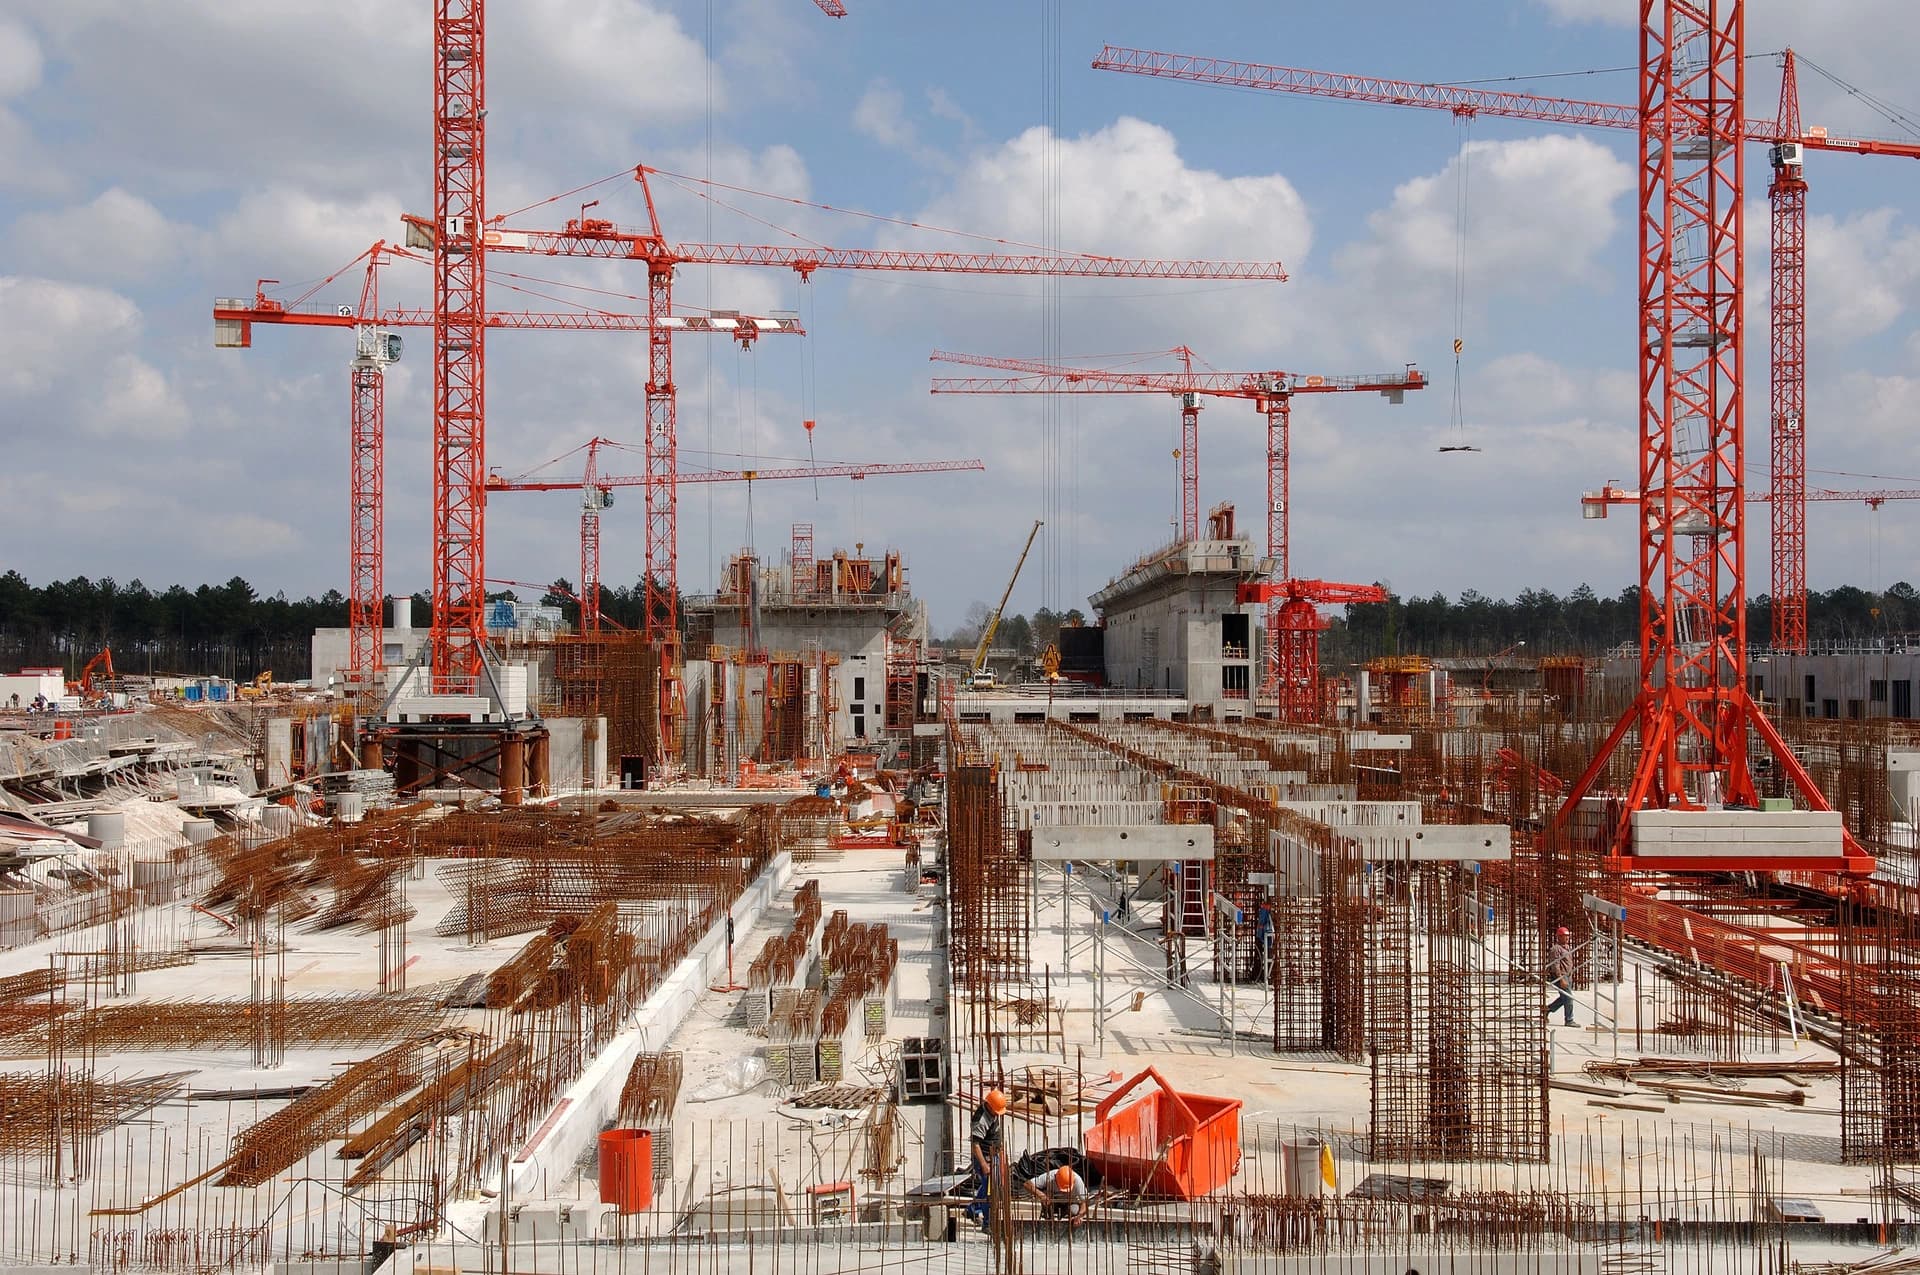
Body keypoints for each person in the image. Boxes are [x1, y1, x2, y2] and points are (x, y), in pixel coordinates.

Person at [963, 1088, 1008, 1228]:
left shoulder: (992, 1111)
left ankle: (972, 1209)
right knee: (990, 1191)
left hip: (994, 1155)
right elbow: (975, 1145)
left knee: (993, 1186)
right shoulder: (981, 1120)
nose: (997, 1114)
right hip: (985, 1158)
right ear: (990, 1106)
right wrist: (984, 1165)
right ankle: (988, 1223)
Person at [1023, 1163, 1090, 1226]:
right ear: (1056, 1179)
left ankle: (1069, 1223)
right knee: (1046, 1195)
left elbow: (1085, 1202)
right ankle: (1049, 1221)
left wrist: (1080, 1216)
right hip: (1052, 1202)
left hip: (1070, 1203)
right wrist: (1041, 1195)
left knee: (1074, 1210)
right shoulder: (1050, 1176)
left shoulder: (1077, 1181)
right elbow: (1027, 1184)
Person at [1544, 926, 1577, 1026]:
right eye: (1564, 936)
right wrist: (1561, 978)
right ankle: (1569, 1020)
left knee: (1565, 998)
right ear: (1559, 937)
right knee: (1568, 997)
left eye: (1567, 936)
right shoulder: (1556, 949)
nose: (1567, 938)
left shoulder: (1567, 948)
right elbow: (1555, 964)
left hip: (1568, 975)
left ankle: (1547, 1009)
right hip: (1561, 976)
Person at [1253, 899, 1274, 981]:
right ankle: (1265, 976)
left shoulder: (1265, 910)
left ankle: (1265, 975)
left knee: (1264, 956)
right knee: (1265, 956)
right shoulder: (1265, 910)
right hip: (1265, 937)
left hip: (1265, 936)